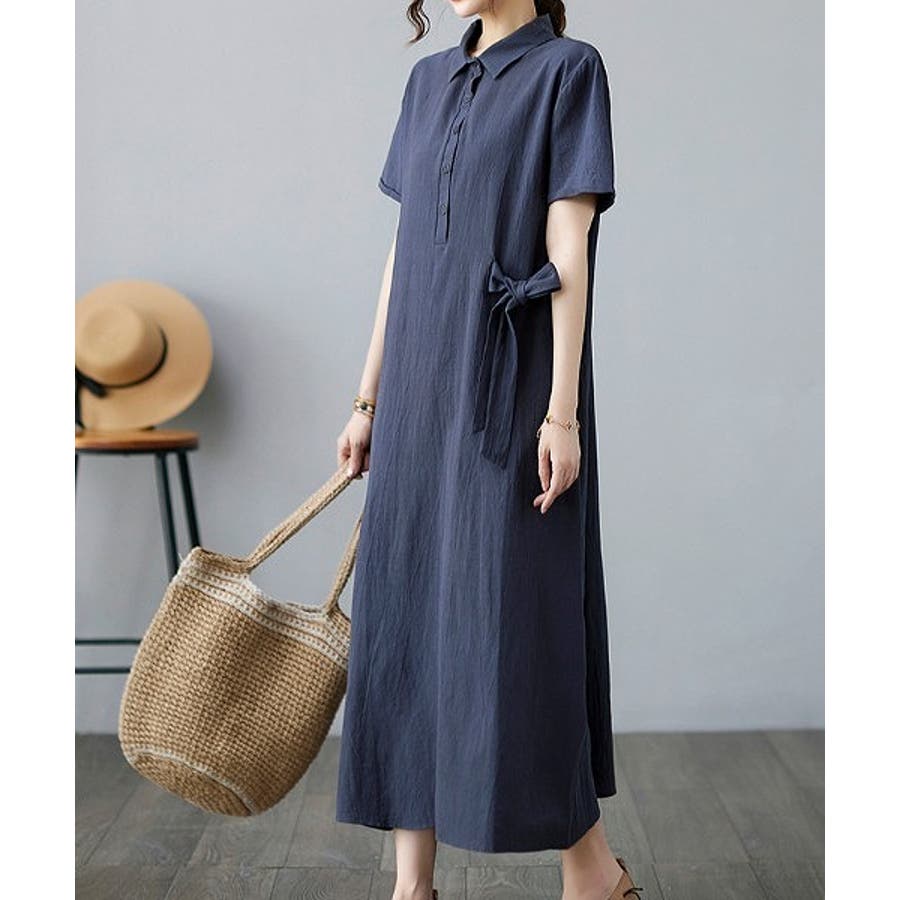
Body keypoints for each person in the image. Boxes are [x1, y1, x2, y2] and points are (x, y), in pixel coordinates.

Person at [334, 3, 637, 898]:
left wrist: (561, 413)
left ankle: (590, 870)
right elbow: (403, 254)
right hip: (417, 388)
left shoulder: (568, 71)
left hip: (509, 385)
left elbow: (568, 245)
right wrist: (367, 398)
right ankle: (412, 886)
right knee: (405, 619)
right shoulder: (426, 81)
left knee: (518, 624)